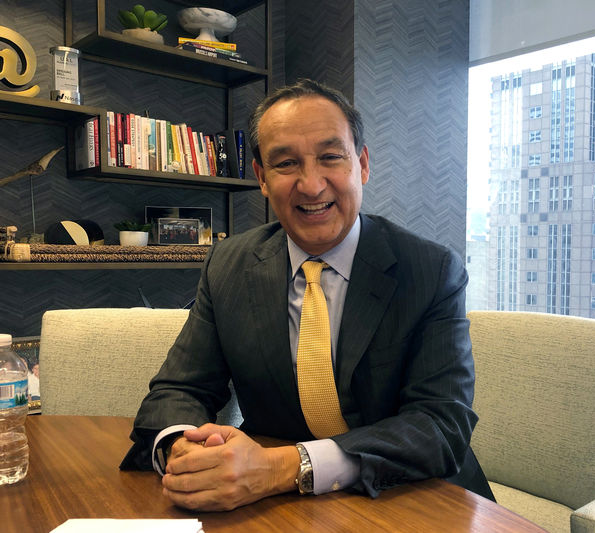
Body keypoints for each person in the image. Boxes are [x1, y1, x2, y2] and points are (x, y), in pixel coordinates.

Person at [121, 78, 493, 510]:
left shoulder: (430, 270)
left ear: (363, 164)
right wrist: (182, 448)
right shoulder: (228, 264)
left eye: (331, 157)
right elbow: (178, 389)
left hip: (415, 493)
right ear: (261, 177)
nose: (312, 185)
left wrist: (285, 466)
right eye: (286, 164)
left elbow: (439, 426)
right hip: (281, 507)